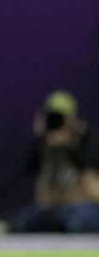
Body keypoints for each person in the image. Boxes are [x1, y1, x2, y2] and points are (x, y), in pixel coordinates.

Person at [12, 90, 99, 233]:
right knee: (22, 223)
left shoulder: (85, 138)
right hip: (54, 206)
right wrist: (40, 137)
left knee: (82, 222)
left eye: (62, 117)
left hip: (83, 203)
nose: (58, 122)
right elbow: (29, 167)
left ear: (73, 118)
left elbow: (90, 168)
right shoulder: (44, 142)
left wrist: (70, 145)